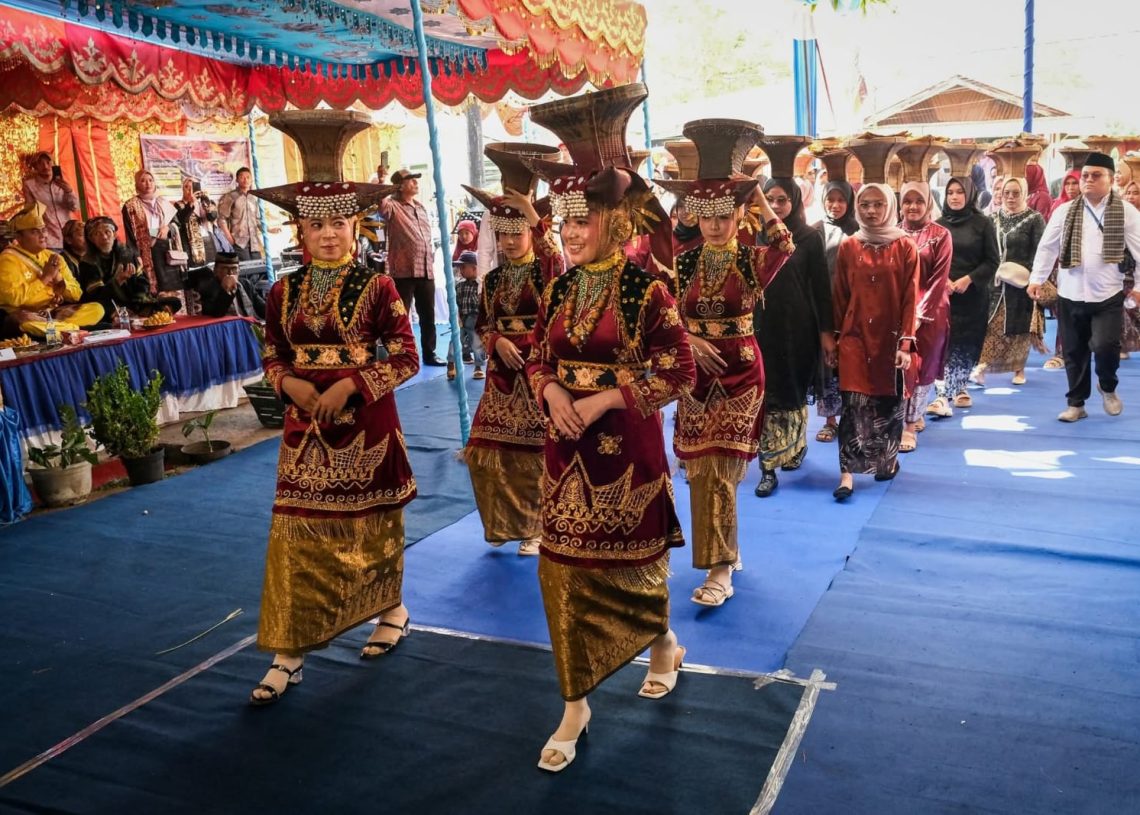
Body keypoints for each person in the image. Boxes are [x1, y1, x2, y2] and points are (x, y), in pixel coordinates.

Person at [525, 83, 693, 773]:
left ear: (615, 221)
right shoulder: (559, 288)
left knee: (633, 564)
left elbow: (678, 370)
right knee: (560, 569)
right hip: (564, 450)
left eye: (583, 221)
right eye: (564, 223)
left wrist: (601, 401)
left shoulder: (648, 289)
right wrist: (550, 387)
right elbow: (537, 354)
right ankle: (575, 700)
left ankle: (661, 645)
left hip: (627, 446)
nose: (571, 233)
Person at [246, 179, 420, 705]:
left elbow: (407, 356)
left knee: (371, 525)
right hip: (305, 429)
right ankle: (289, 653)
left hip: (366, 425)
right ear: (301, 228)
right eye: (316, 224)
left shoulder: (379, 287)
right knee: (295, 533)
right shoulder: (283, 290)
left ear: (354, 228)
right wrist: (288, 382)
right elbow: (274, 352)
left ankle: (391, 609)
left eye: (337, 224)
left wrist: (352, 383)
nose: (327, 235)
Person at [659, 118, 793, 606]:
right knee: (698, 470)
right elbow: (670, 313)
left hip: (740, 374)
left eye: (725, 215)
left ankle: (719, 569)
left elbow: (785, 244)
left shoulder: (752, 259)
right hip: (696, 377)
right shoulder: (686, 259)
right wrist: (690, 339)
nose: (716, 225)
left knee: (720, 469)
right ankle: (724, 552)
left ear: (738, 218)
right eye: (709, 215)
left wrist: (754, 193)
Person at [461, 156, 563, 556]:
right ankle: (509, 522)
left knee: (537, 454)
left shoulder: (546, 271)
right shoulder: (495, 278)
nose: (507, 242)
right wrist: (495, 341)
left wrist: (532, 214)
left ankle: (539, 526)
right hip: (503, 372)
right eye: (501, 234)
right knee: (484, 451)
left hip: (537, 367)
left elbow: (554, 258)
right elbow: (484, 323)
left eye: (515, 233)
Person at [1029, 152, 1140, 422]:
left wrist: (1138, 286)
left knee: (1105, 346)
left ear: (1111, 180)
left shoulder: (1126, 211)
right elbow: (1048, 246)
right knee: (1074, 352)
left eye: (1096, 175)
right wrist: (1037, 278)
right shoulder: (1065, 210)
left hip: (1108, 294)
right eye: (1086, 175)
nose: (1089, 180)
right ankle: (1076, 404)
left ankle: (1108, 386)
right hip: (1070, 294)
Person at [830, 184, 918, 501]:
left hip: (891, 338)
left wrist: (906, 343)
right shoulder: (849, 246)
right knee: (853, 404)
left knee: (887, 402)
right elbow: (839, 296)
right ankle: (846, 473)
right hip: (854, 337)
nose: (870, 210)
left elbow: (911, 296)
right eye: (865, 204)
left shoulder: (906, 246)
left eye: (878, 204)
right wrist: (835, 340)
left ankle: (885, 461)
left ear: (889, 206)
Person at [753, 176, 833, 497]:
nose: (774, 206)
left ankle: (795, 444)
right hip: (760, 328)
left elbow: (821, 289)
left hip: (799, 328)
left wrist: (827, 333)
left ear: (796, 202)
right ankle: (768, 466)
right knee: (766, 395)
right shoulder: (754, 236)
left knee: (795, 391)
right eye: (769, 199)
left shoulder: (810, 238)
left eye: (782, 199)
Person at [927, 175, 998, 418]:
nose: (955, 197)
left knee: (965, 345)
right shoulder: (937, 225)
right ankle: (942, 394)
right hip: (942, 295)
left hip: (972, 296)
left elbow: (992, 261)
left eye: (960, 192)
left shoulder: (983, 223)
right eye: (950, 192)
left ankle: (959, 386)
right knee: (943, 344)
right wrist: (942, 280)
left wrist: (968, 279)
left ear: (969, 195)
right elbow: (929, 261)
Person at [975, 178, 1046, 387]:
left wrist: (1033, 277)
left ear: (1024, 193)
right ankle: (982, 367)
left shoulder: (1034, 219)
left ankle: (1019, 368)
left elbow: (1040, 251)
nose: (1011, 198)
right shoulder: (992, 218)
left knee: (1018, 326)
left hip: (1021, 283)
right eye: (1007, 193)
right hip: (994, 283)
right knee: (989, 325)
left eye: (1016, 193)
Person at [898, 182, 953, 452]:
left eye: (918, 200)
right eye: (907, 200)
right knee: (901, 366)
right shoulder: (893, 233)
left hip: (930, 312)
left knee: (923, 366)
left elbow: (938, 279)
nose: (912, 206)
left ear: (928, 203)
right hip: (898, 310)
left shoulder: (940, 235)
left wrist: (920, 314)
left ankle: (910, 426)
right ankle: (906, 416)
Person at [0, 203, 104, 337]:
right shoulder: (8, 259)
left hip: (52, 314)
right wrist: (45, 278)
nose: (42, 235)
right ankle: (74, 329)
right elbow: (15, 299)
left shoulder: (52, 257)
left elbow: (76, 294)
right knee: (25, 323)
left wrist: (58, 279)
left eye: (43, 230)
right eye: (34, 231)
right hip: (25, 316)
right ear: (19, 237)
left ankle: (64, 330)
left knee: (96, 309)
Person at [377, 168, 446, 366]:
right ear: (399, 186)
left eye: (416, 180)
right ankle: (400, 356)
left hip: (425, 269)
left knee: (428, 315)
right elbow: (381, 206)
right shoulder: (392, 206)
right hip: (403, 271)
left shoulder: (420, 207)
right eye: (411, 180)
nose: (415, 183)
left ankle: (429, 353)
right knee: (400, 316)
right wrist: (382, 181)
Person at [815, 180, 860, 443]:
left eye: (841, 199)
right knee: (827, 365)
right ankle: (830, 421)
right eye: (830, 199)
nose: (835, 205)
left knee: (851, 364)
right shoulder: (815, 231)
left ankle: (850, 418)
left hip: (853, 309)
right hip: (824, 309)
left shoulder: (859, 231)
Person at [79, 216, 180, 318]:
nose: (104, 237)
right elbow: (96, 295)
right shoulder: (88, 262)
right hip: (107, 304)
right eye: (97, 234)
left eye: (107, 232)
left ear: (114, 234)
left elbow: (142, 281)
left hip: (131, 301)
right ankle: (129, 313)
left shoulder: (126, 253)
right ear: (91, 239)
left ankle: (141, 311)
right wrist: (118, 280)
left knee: (174, 302)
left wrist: (140, 301)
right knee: (100, 309)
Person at [121, 169, 184, 303]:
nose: (148, 184)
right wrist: (135, 255)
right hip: (146, 252)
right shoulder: (130, 206)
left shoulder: (163, 202)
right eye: (143, 181)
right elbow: (130, 234)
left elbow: (176, 225)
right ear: (137, 185)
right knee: (153, 289)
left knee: (171, 290)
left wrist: (168, 227)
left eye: (150, 180)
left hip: (166, 251)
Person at [21, 151, 79, 251]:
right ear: (35, 166)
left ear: (53, 163)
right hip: (50, 239)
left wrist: (69, 191)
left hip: (71, 238)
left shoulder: (62, 181)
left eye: (48, 162)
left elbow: (75, 207)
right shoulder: (30, 185)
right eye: (40, 163)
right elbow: (30, 211)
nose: (45, 166)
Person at [446, 251, 485, 380]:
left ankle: (478, 366)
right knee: (455, 341)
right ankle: (451, 364)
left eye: (463, 267)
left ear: (474, 268)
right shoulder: (459, 286)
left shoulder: (480, 285)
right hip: (462, 318)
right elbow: (455, 302)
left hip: (475, 319)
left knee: (477, 343)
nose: (460, 270)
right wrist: (455, 318)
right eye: (459, 267)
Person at [216, 167, 264, 261]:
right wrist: (230, 238)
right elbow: (221, 219)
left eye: (248, 177)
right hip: (239, 242)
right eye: (242, 177)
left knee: (259, 270)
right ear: (237, 180)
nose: (245, 180)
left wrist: (269, 229)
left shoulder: (253, 198)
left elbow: (257, 220)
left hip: (254, 242)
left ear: (251, 179)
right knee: (246, 271)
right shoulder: (230, 196)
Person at [174, 177, 219, 268]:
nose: (190, 190)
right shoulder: (178, 205)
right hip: (188, 244)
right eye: (187, 187)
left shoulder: (204, 203)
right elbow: (182, 220)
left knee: (211, 270)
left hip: (207, 242)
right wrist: (190, 203)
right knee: (195, 273)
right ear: (183, 189)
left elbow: (212, 217)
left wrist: (207, 203)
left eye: (192, 187)